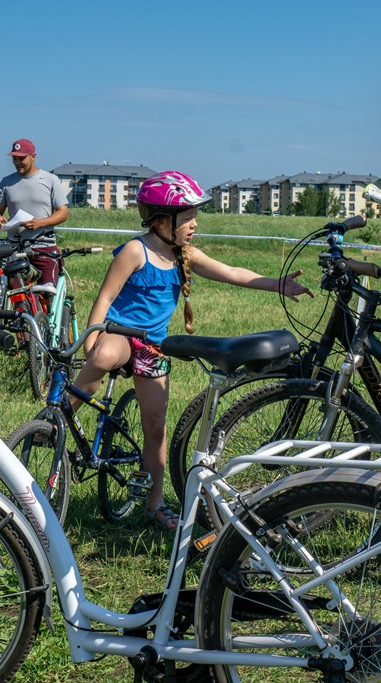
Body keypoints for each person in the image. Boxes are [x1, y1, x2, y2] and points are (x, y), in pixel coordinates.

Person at [70, 170, 313, 530]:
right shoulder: (136, 251)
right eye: (187, 217)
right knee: (103, 357)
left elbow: (233, 273)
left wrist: (277, 284)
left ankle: (155, 502)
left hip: (152, 345)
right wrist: (91, 339)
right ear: (160, 221)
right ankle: (60, 413)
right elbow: (105, 296)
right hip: (118, 332)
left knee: (155, 428)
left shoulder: (185, 254)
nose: (194, 224)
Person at [0, 138, 69, 293]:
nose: (17, 162)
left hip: (44, 248)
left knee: (47, 293)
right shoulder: (7, 182)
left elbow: (63, 213)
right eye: (14, 159)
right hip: (15, 249)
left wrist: (40, 223)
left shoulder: (50, 180)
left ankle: (43, 316)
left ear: (33, 156)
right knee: (17, 295)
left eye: (21, 158)